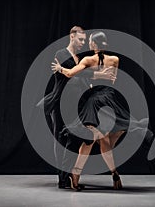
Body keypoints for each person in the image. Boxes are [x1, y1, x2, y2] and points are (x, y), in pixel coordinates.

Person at [52, 31, 153, 191]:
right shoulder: (115, 60)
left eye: (89, 42)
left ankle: (75, 177)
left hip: (95, 101)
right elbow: (112, 80)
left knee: (90, 140)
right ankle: (113, 173)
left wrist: (60, 68)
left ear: (93, 44)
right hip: (110, 99)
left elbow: (71, 73)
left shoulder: (87, 60)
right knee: (104, 141)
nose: (87, 44)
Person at [37, 26, 115, 189]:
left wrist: (92, 85)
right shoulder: (61, 54)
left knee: (73, 139)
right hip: (60, 103)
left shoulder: (78, 57)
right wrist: (99, 74)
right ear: (72, 37)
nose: (83, 43)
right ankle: (63, 179)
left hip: (76, 104)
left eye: (85, 41)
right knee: (61, 139)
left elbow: (78, 75)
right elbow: (73, 74)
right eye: (80, 40)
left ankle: (68, 176)